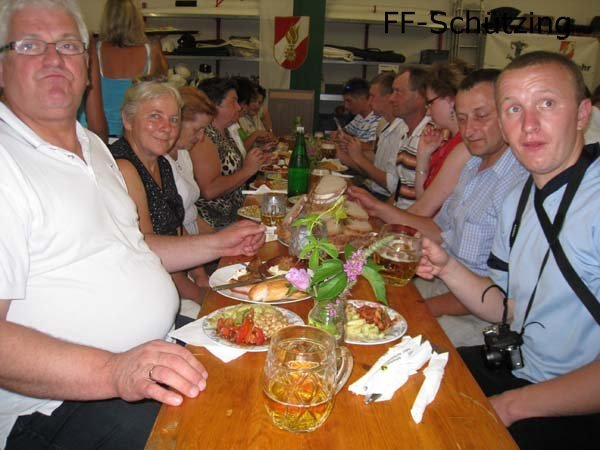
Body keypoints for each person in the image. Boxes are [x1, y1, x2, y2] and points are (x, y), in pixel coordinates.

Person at [0, 1, 264, 448]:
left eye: (68, 46)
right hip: (56, 405)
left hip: (154, 352)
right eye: (29, 45)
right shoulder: (7, 162)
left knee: (258, 381)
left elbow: (136, 245)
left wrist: (220, 243)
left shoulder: (94, 148)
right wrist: (114, 371)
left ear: (88, 69)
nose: (53, 58)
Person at [417, 51, 600, 449]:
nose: (528, 124)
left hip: (575, 403)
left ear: (582, 114)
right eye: (514, 109)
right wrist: (447, 267)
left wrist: (511, 405)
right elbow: (506, 307)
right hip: (518, 366)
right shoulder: (518, 199)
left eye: (546, 104)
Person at [348, 69, 527, 347]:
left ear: (509, 114)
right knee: (359, 297)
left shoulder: (519, 182)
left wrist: (417, 309)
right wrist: (377, 208)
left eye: (481, 116)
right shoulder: (472, 164)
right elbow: (438, 229)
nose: (469, 130)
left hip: (480, 315)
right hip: (442, 280)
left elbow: (500, 296)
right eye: (462, 118)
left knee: (383, 337)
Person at [110, 80, 208, 305]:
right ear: (128, 120)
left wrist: (201, 275)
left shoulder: (162, 163)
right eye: (155, 116)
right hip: (142, 294)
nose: (167, 127)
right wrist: (200, 295)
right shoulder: (123, 168)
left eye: (174, 119)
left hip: (173, 281)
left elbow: (177, 227)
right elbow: (149, 252)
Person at [193, 77, 270, 229]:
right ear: (214, 104)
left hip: (235, 215)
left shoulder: (226, 132)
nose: (239, 107)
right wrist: (248, 170)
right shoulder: (204, 136)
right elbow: (209, 190)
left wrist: (257, 161)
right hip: (215, 223)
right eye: (233, 101)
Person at [96, 0, 168, 137]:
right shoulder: (151, 52)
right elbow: (163, 88)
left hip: (100, 134)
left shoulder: (95, 51)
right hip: (134, 135)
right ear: (136, 20)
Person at [413, 61, 472, 208]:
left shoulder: (464, 146)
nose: (428, 112)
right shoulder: (448, 142)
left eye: (430, 103)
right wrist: (423, 156)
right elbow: (422, 200)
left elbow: (426, 209)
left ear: (450, 100)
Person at [336, 71, 403, 200]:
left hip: (381, 196)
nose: (369, 101)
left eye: (372, 96)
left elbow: (392, 185)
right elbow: (376, 163)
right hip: (372, 188)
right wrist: (351, 148)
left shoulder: (401, 131)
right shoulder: (385, 125)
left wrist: (357, 157)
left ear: (389, 98)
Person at [389, 67, 431, 209]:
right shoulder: (408, 132)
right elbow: (400, 191)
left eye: (398, 92)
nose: (391, 98)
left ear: (419, 97)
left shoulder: (430, 137)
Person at [333, 77, 380, 148]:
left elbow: (372, 148)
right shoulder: (359, 117)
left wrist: (349, 141)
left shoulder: (376, 119)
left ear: (362, 99)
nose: (346, 106)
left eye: (349, 101)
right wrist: (338, 134)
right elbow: (344, 131)